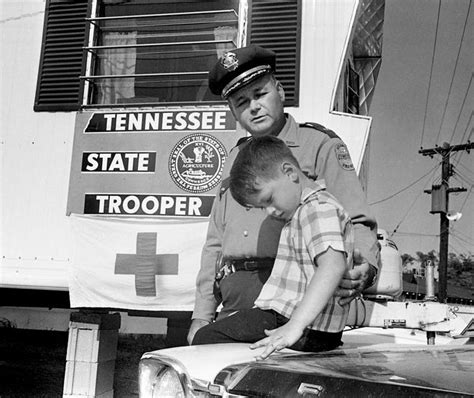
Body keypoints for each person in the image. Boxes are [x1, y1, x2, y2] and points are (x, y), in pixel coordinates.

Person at [187, 44, 379, 344]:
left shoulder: (320, 145)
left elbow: (356, 220)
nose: (253, 107)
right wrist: (202, 314)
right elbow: (215, 242)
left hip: (295, 303)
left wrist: (365, 269)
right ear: (233, 113)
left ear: (280, 91)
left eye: (260, 94)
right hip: (235, 304)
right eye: (241, 102)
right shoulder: (234, 161)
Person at [193, 136, 354, 360]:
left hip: (299, 324)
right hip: (307, 327)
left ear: (290, 172)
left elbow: (332, 265)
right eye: (262, 207)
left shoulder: (317, 207)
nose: (270, 212)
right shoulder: (305, 211)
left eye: (269, 199)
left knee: (206, 338)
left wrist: (295, 325)